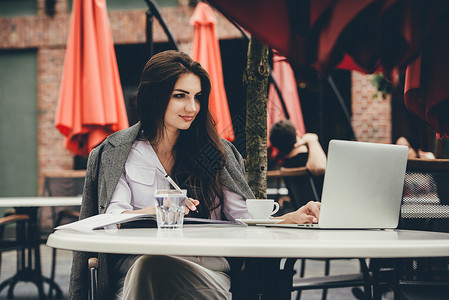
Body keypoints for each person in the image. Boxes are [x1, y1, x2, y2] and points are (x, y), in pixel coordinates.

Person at [69, 50, 321, 300]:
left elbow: (244, 220)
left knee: (153, 268)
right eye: (180, 96)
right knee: (150, 266)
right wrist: (153, 211)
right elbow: (111, 219)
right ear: (154, 97)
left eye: (197, 97)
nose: (192, 107)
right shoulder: (119, 152)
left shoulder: (217, 152)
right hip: (135, 271)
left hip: (205, 272)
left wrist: (290, 218)